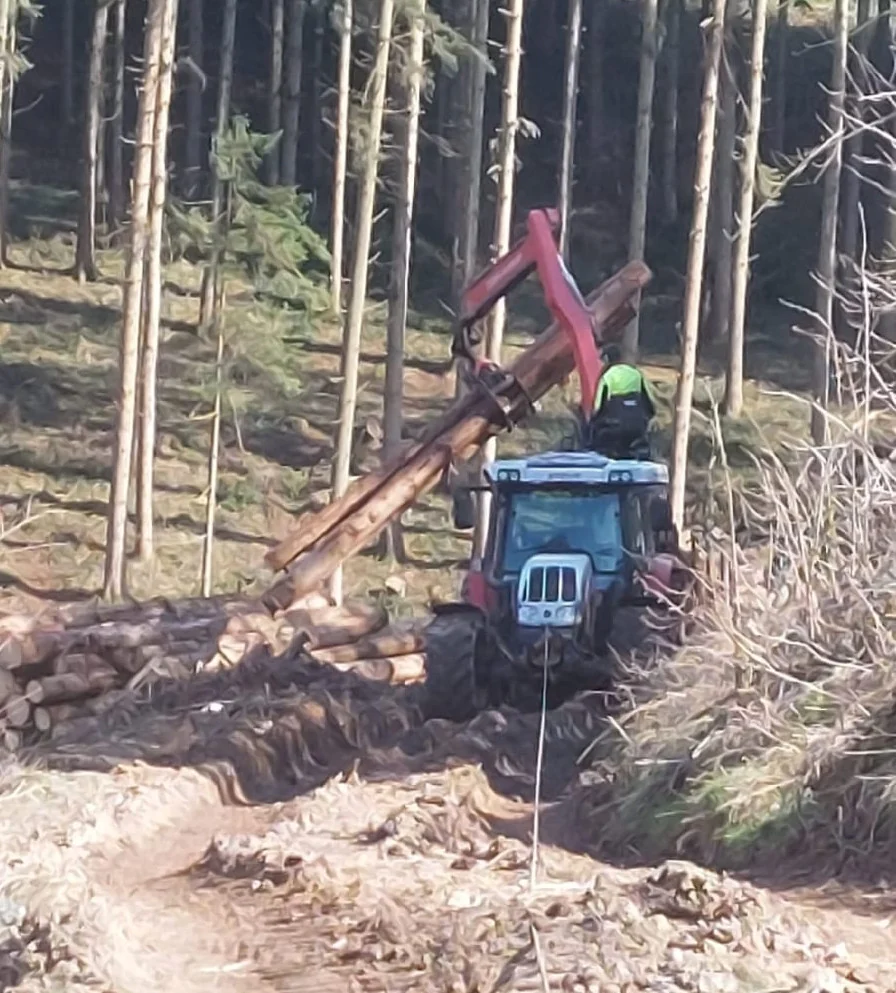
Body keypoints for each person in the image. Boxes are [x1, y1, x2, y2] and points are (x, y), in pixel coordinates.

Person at [588, 343, 656, 458]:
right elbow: (650, 402)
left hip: (613, 428)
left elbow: (597, 407)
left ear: (606, 359)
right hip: (637, 427)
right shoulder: (636, 374)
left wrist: (591, 421)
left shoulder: (608, 376)